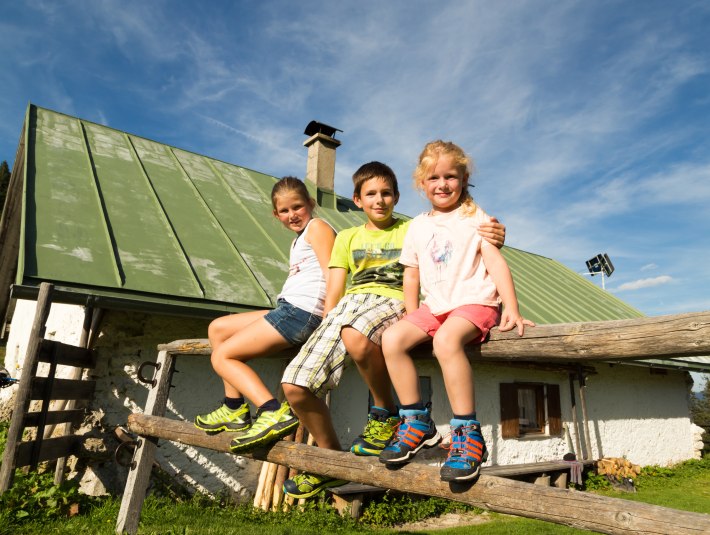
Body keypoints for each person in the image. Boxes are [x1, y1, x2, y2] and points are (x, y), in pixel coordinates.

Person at [275, 161, 507, 499]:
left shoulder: (413, 227)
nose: (380, 200)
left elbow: (456, 231)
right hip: (349, 306)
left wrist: (496, 232)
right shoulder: (347, 238)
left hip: (391, 303)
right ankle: (329, 464)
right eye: (371, 194)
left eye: (386, 193)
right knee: (293, 385)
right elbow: (335, 289)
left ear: (397, 197)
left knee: (358, 336)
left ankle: (385, 415)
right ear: (357, 200)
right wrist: (325, 322)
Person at [379, 140, 533, 482]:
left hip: (474, 301)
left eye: (450, 176)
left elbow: (495, 261)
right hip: (435, 306)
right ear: (421, 183)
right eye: (433, 178)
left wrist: (512, 307)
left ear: (464, 179)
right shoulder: (417, 225)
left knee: (446, 342)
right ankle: (416, 422)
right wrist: (410, 315)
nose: (442, 184)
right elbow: (412, 274)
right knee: (392, 339)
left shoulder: (475, 218)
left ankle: (467, 433)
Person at [193, 176, 336, 454]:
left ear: (311, 203)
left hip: (302, 313)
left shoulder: (317, 227)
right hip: (289, 308)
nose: (292, 215)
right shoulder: (298, 240)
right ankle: (234, 408)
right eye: (284, 210)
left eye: (297, 207)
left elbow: (333, 273)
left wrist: (329, 320)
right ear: (275, 214)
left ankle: (271, 410)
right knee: (218, 329)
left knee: (222, 356)